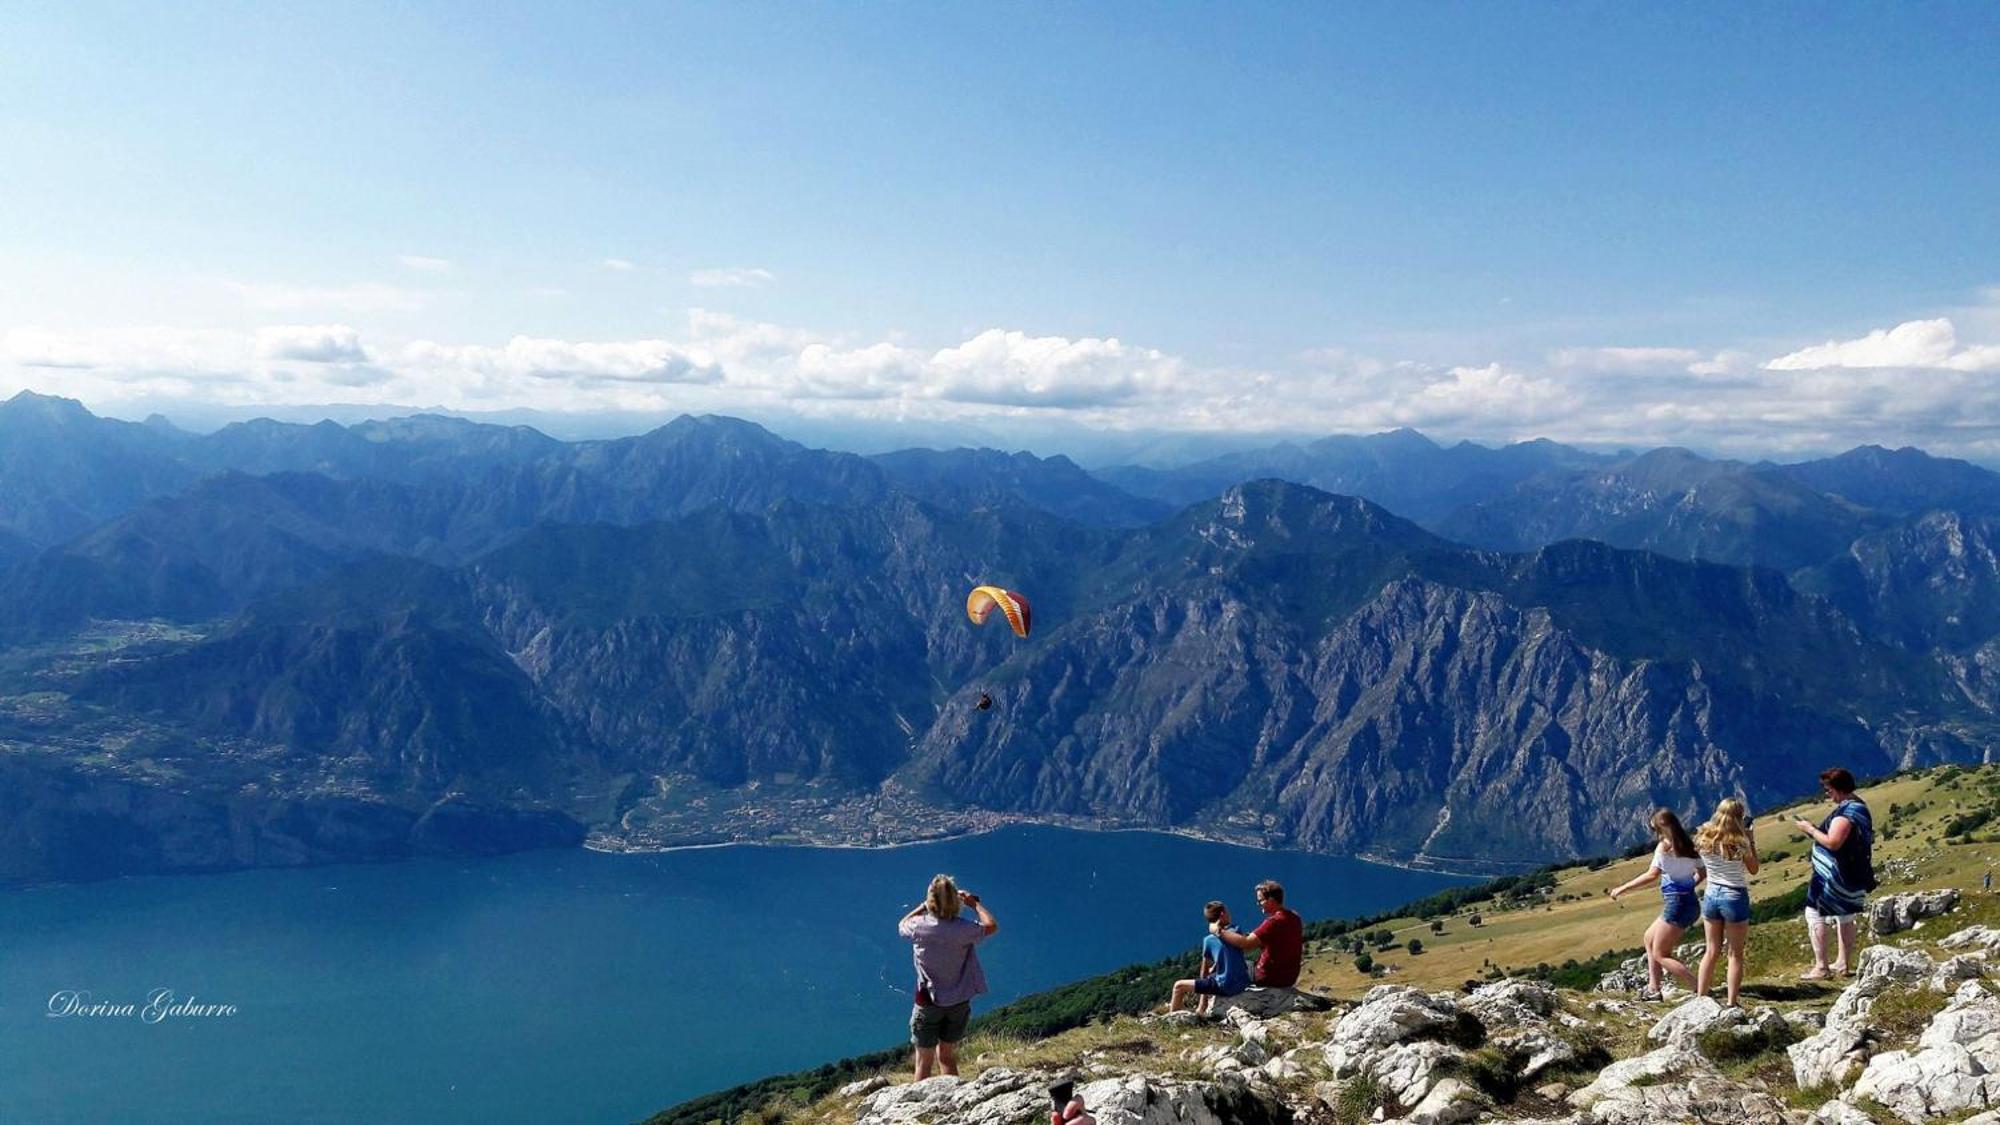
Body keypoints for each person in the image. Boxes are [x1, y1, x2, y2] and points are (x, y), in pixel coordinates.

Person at [897, 874, 997, 1080]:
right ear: (955, 900)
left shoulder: (919, 926)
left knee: (923, 1062)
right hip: (959, 1002)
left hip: (928, 1002)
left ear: (931, 901)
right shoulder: (964, 929)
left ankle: (921, 1109)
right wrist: (974, 904)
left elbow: (902, 924)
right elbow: (991, 925)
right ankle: (952, 1099)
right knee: (947, 1056)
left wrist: (923, 906)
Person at [1607, 808, 1705, 1000]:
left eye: (1654, 829)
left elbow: (1652, 875)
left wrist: (1622, 888)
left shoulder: (1664, 847)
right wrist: (1686, 886)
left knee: (1661, 953)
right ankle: (1653, 988)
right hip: (1690, 902)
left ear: (1661, 828)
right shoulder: (1690, 845)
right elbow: (1703, 873)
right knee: (1649, 938)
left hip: (1676, 905)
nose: (1654, 834)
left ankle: (1698, 987)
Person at [1793, 767, 1875, 981]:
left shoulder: (1846, 813)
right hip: (1853, 871)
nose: (1826, 793)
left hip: (1833, 875)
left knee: (1814, 914)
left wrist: (1809, 829)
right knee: (1845, 915)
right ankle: (1843, 963)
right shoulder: (1860, 807)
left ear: (1838, 789)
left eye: (1828, 789)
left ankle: (1821, 966)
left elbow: (1833, 842)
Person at [1694, 798, 1760, 1008]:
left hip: (1711, 894)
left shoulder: (1705, 837)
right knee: (1735, 954)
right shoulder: (1740, 842)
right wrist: (1751, 840)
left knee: (1711, 950)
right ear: (1740, 817)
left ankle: (1701, 998)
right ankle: (1732, 1002)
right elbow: (1754, 869)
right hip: (1734, 895)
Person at [1210, 879, 1304, 989]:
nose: (1258, 904)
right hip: (1289, 978)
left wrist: (1218, 931)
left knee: (1226, 965)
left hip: (1268, 977)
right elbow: (1282, 943)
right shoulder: (1295, 917)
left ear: (1271, 900)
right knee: (1246, 963)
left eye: (1260, 900)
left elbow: (1246, 944)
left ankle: (1205, 1002)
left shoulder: (1273, 922)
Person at [1170, 901, 1251, 1015]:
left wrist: (1202, 1003)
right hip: (1242, 984)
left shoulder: (1208, 940)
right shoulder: (1236, 930)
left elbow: (1204, 971)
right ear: (1223, 914)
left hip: (1224, 987)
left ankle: (1174, 1018)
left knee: (1178, 986)